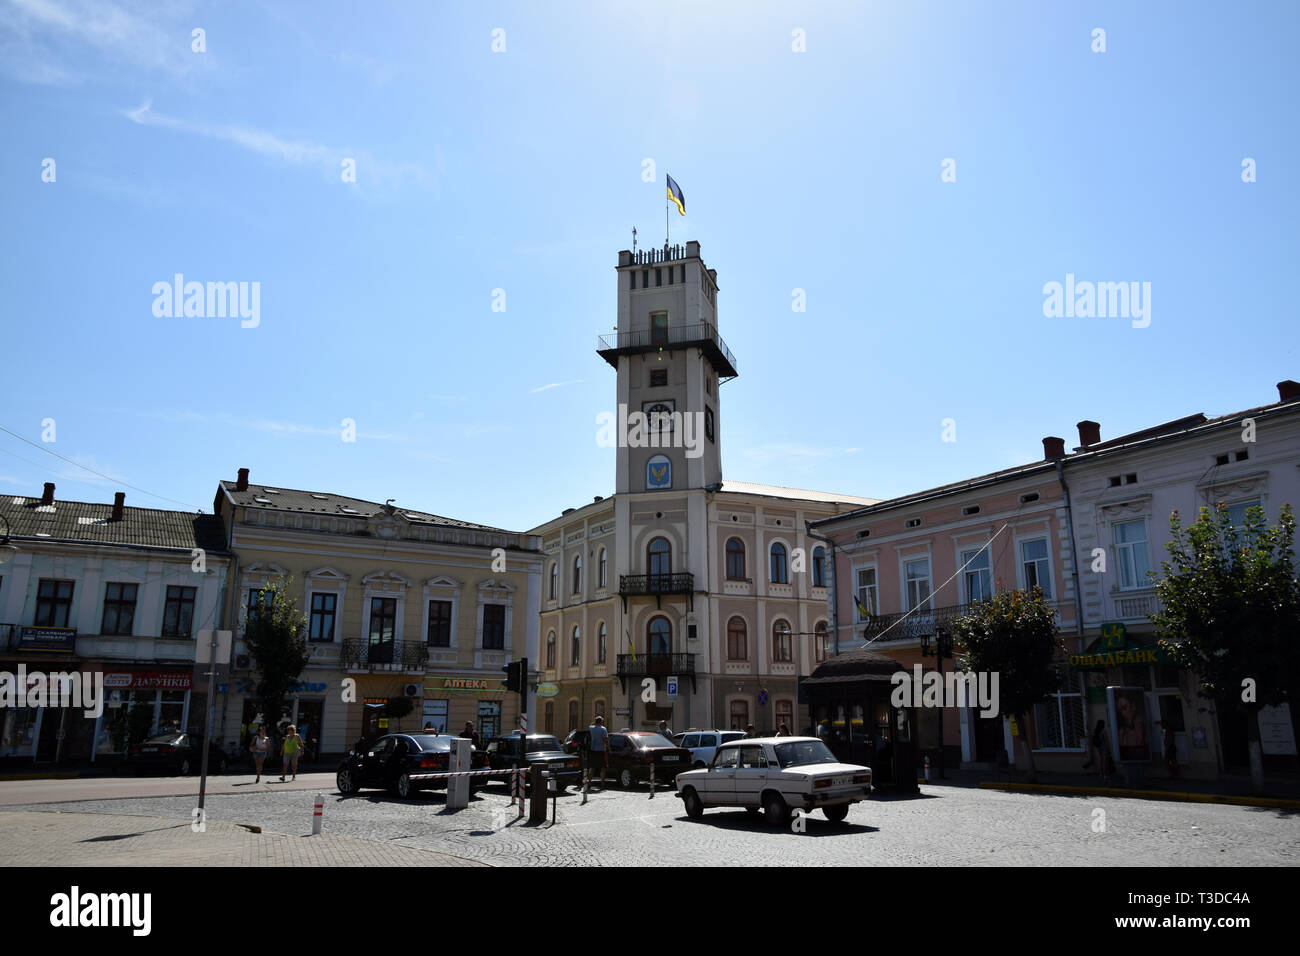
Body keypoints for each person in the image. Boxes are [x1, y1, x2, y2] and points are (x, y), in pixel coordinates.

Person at [587, 715, 609, 787]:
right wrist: (609, 748)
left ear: (595, 721)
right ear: (601, 722)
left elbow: (590, 725)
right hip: (601, 750)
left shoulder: (591, 728)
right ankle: (602, 782)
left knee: (592, 767)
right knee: (603, 767)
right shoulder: (603, 729)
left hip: (593, 749)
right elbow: (605, 739)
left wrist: (594, 722)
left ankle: (589, 782)